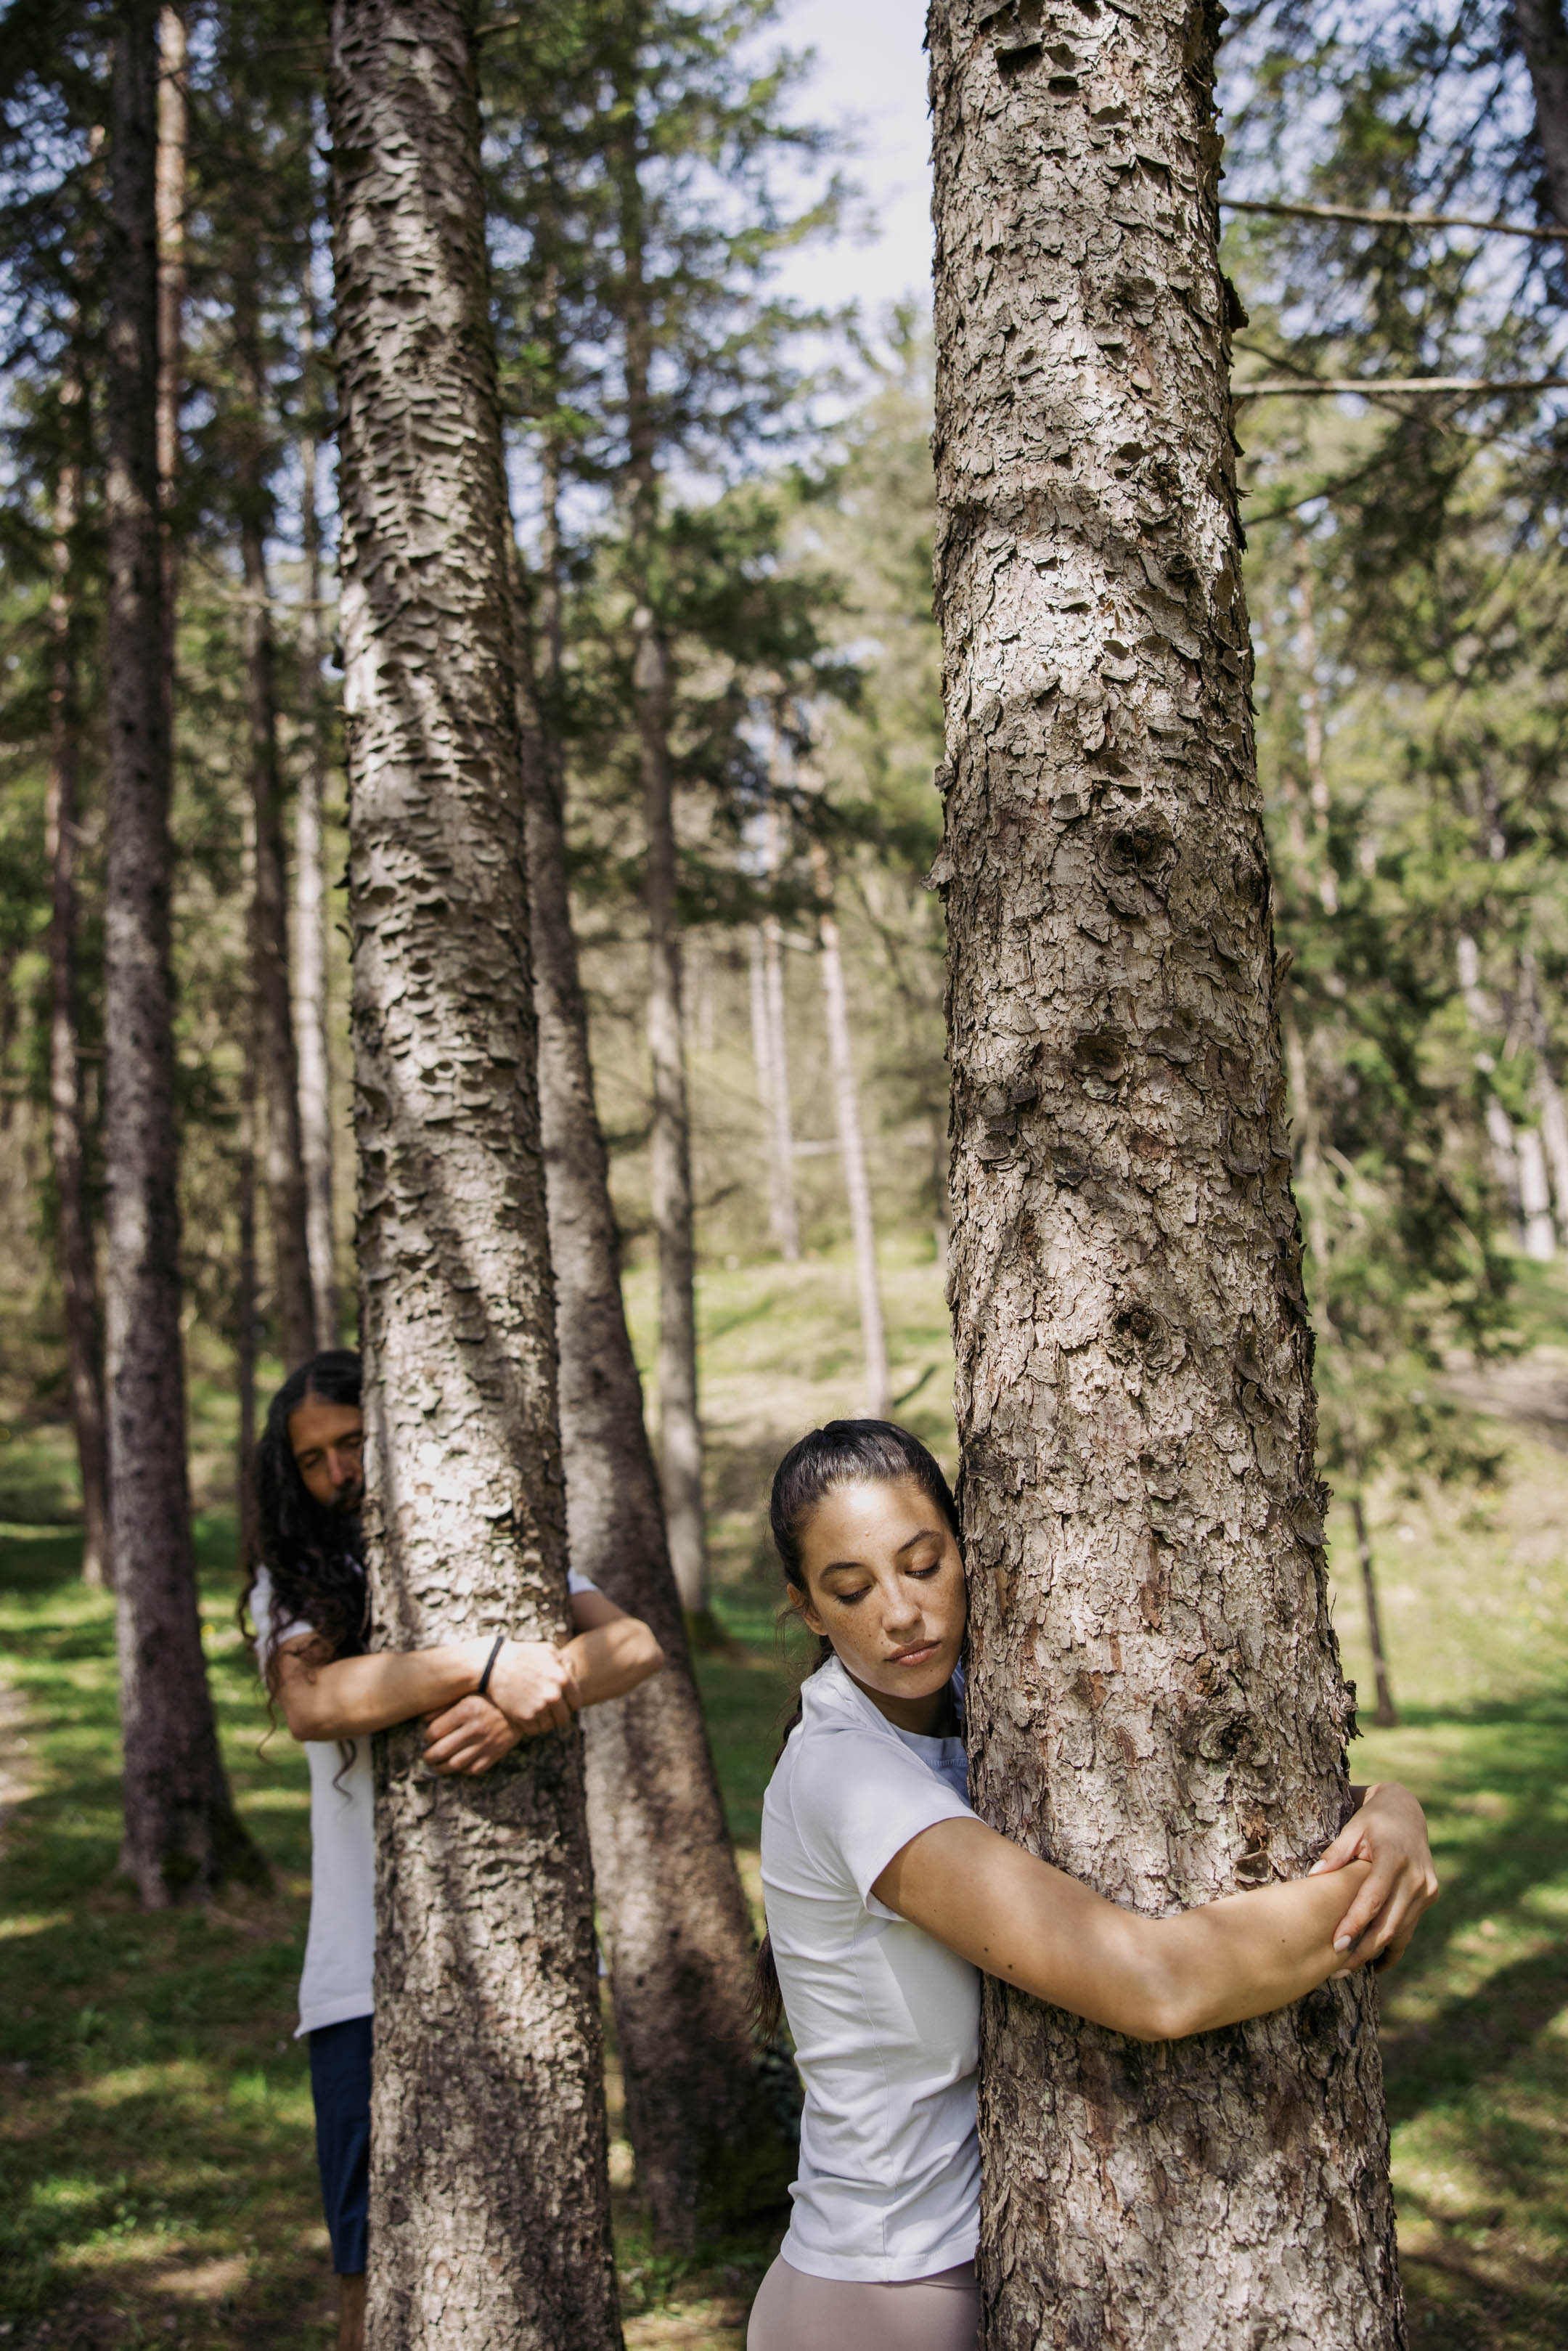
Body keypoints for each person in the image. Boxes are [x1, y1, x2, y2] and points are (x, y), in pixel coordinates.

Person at [747, 1420, 1441, 2351]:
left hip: (975, 2269)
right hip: (881, 2298)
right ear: (809, 1610)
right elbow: (1154, 1983)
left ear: (969, 1550)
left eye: (923, 1563)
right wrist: (1368, 1890)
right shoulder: (846, 1774)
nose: (903, 1612)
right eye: (853, 1588)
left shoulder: (977, 1716)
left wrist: (1390, 1808)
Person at [241, 1349, 663, 2351]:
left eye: (352, 1442)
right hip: (359, 1980)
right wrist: (480, 1663)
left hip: (521, 1959)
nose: (340, 1471)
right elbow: (312, 1702)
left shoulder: (478, 1537)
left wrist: (527, 1698)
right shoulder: (291, 1583)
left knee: (538, 2244)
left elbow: (636, 1644)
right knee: (366, 2271)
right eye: (314, 1458)